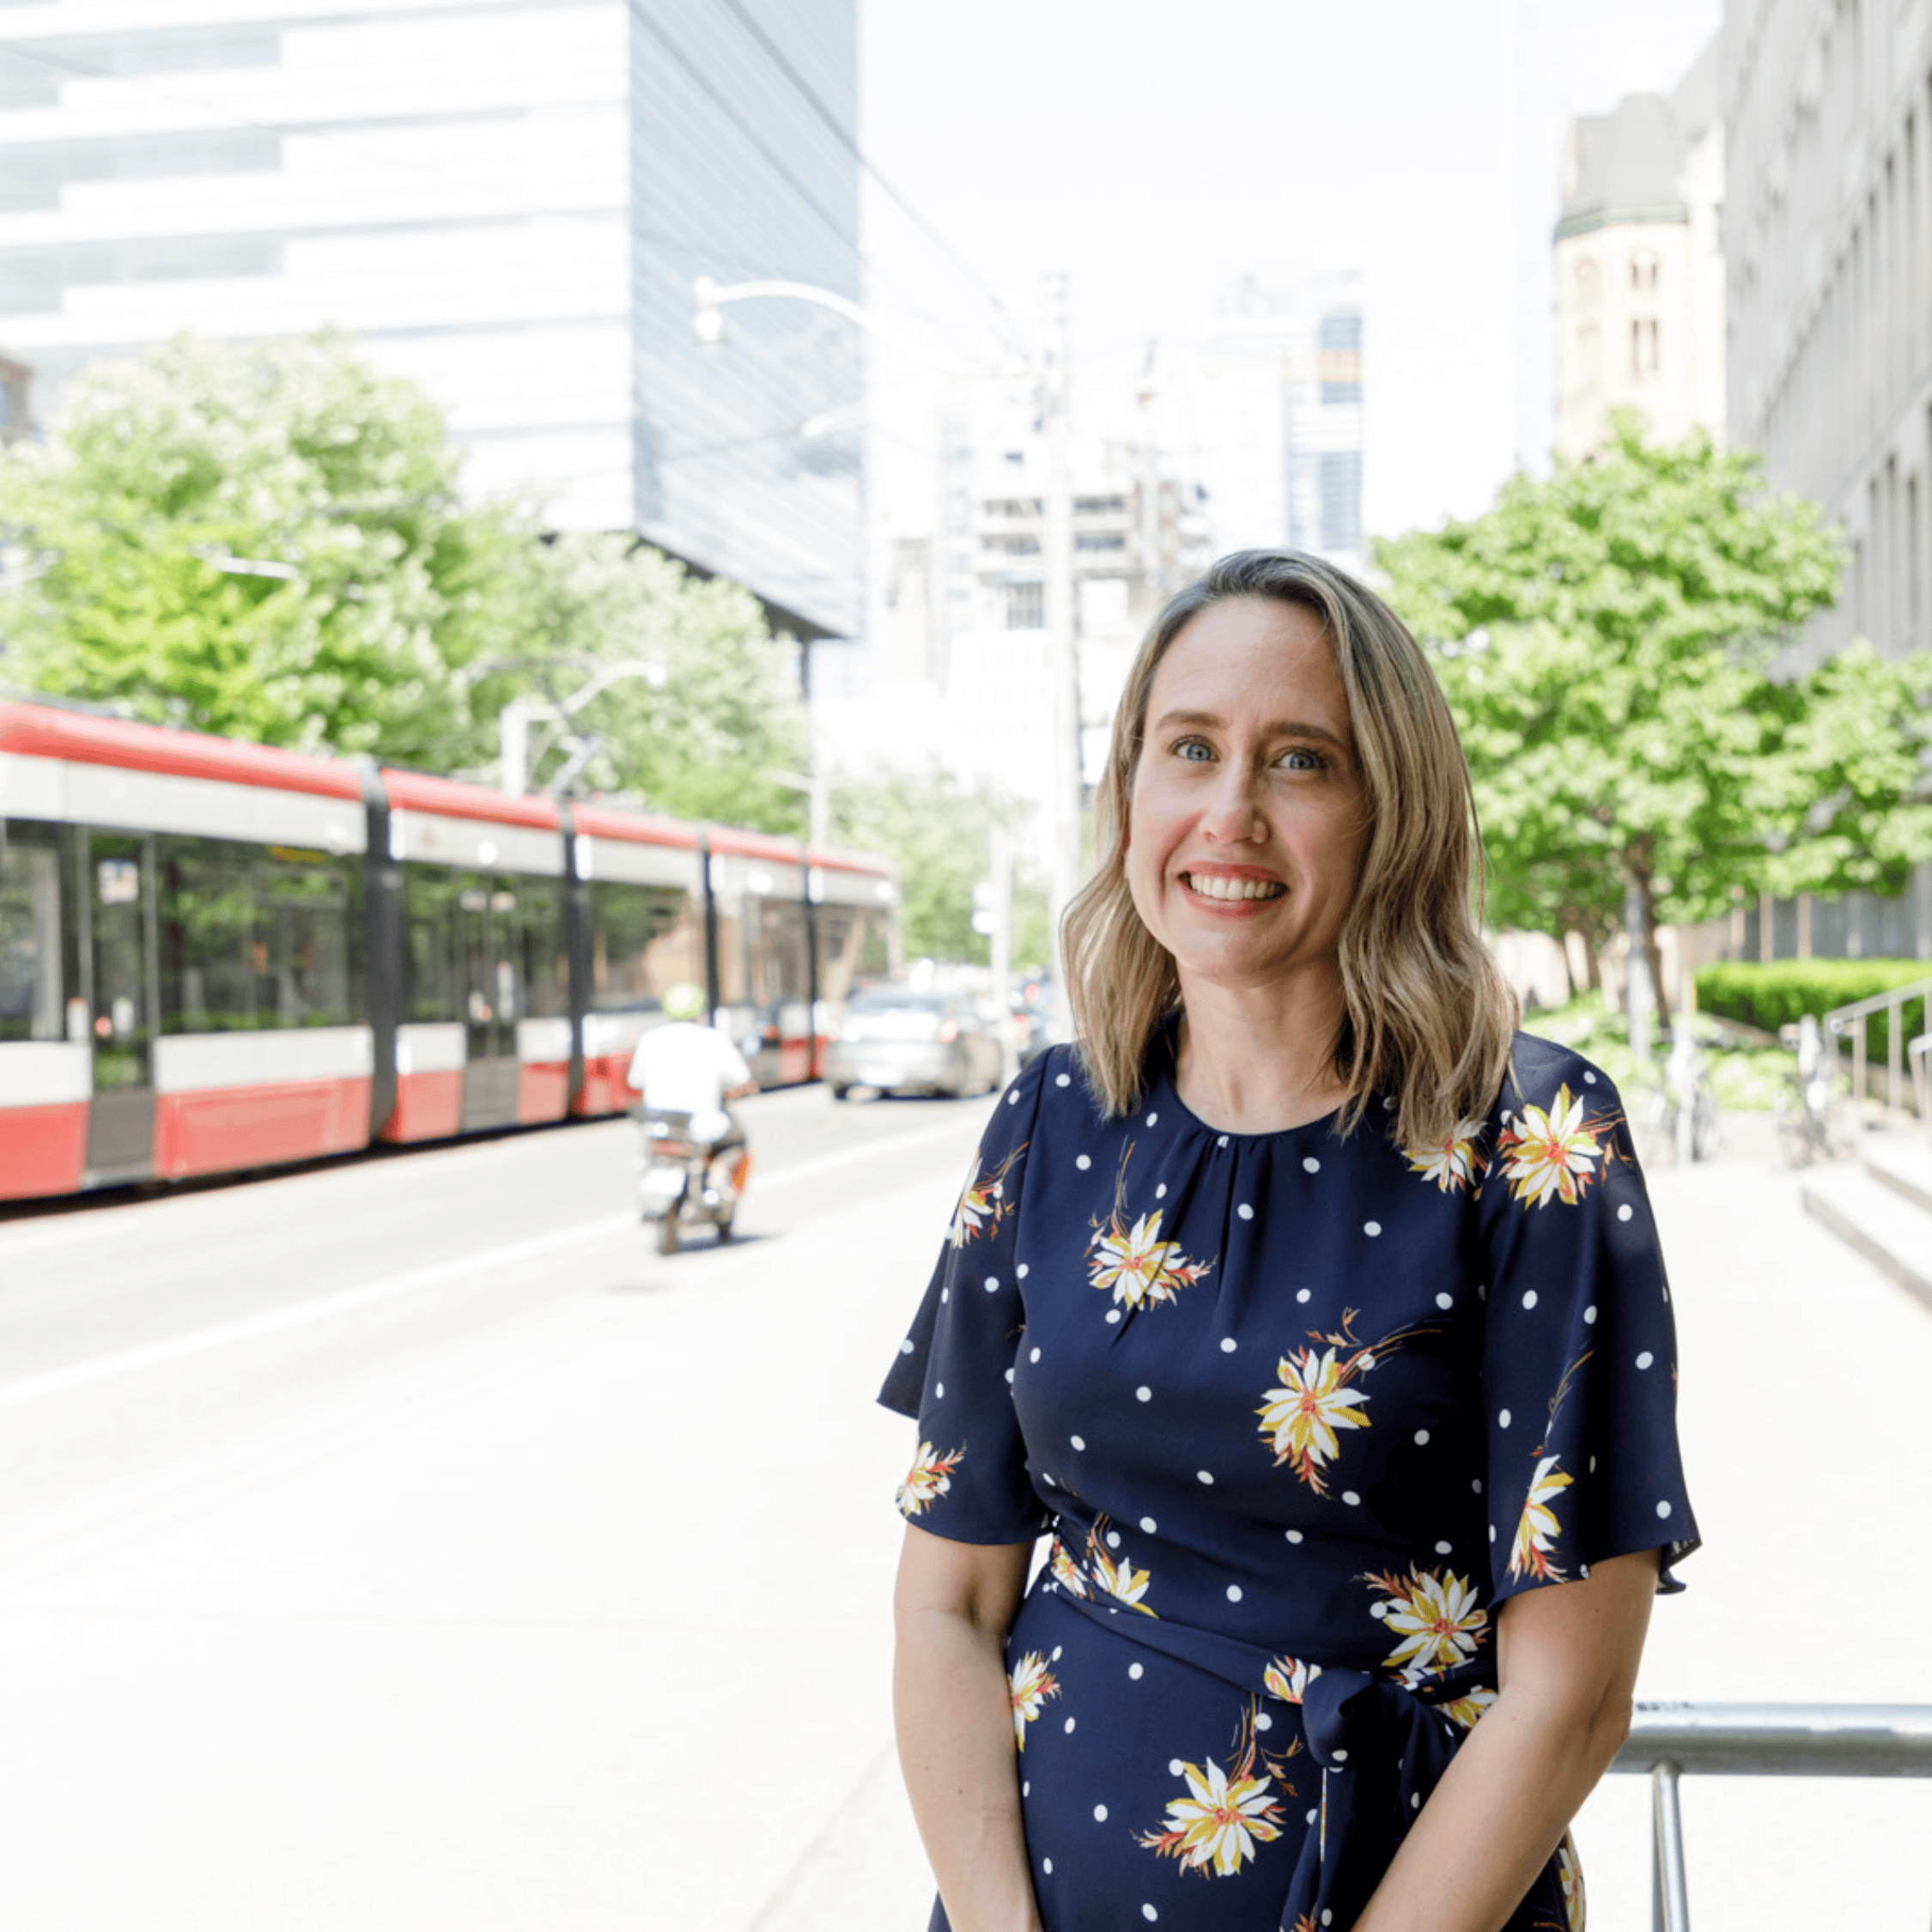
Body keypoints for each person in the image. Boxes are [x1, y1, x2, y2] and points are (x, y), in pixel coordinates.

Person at [880, 550, 1698, 1932]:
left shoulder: (1532, 1137)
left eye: (1300, 760)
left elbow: (1570, 1694)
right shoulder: (1051, 1117)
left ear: (1392, 809)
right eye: (1186, 748)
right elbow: (946, 1601)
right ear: (1130, 790)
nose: (1228, 813)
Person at [625, 982, 756, 1168]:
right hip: (703, 1128)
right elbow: (741, 1078)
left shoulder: (649, 1039)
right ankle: (722, 1183)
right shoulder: (714, 1039)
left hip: (660, 1128)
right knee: (738, 1141)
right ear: (700, 1010)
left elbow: (635, 1081)